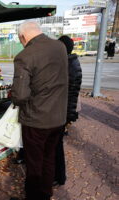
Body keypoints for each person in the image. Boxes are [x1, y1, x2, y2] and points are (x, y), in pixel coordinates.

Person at [11, 21, 68, 200]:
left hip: (36, 119)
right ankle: (45, 194)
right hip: (58, 117)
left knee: (34, 163)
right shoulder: (59, 47)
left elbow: (20, 96)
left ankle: (34, 197)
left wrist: (12, 93)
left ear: (23, 37)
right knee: (49, 158)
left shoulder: (25, 56)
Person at [53, 35, 82, 186]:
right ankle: (58, 175)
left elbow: (66, 93)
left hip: (61, 112)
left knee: (56, 146)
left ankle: (59, 177)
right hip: (65, 111)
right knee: (57, 145)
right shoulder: (72, 62)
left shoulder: (67, 65)